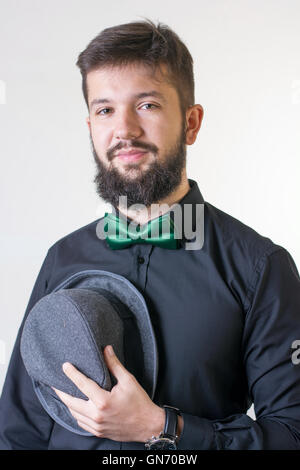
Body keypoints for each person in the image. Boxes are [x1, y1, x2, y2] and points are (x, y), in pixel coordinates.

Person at [1, 18, 300, 451]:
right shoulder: (61, 259)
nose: (124, 130)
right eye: (105, 109)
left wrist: (163, 428)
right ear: (91, 128)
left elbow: (292, 435)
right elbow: (18, 432)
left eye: (147, 105)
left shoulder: (260, 268)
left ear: (192, 123)